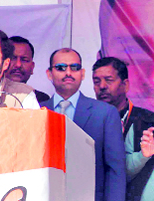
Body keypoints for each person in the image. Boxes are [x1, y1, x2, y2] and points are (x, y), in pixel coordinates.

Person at [40, 48, 126, 201]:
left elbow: (115, 171)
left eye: (74, 67)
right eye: (61, 67)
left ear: (82, 73)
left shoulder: (105, 113)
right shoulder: (36, 111)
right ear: (49, 74)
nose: (68, 73)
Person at [92, 57, 154, 201]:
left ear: (125, 85)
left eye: (109, 80)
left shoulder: (148, 122)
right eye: (96, 81)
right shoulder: (88, 120)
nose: (102, 86)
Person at [5, 36, 50, 103]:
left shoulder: (41, 100)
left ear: (32, 67)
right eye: (13, 58)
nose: (18, 64)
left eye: (24, 60)